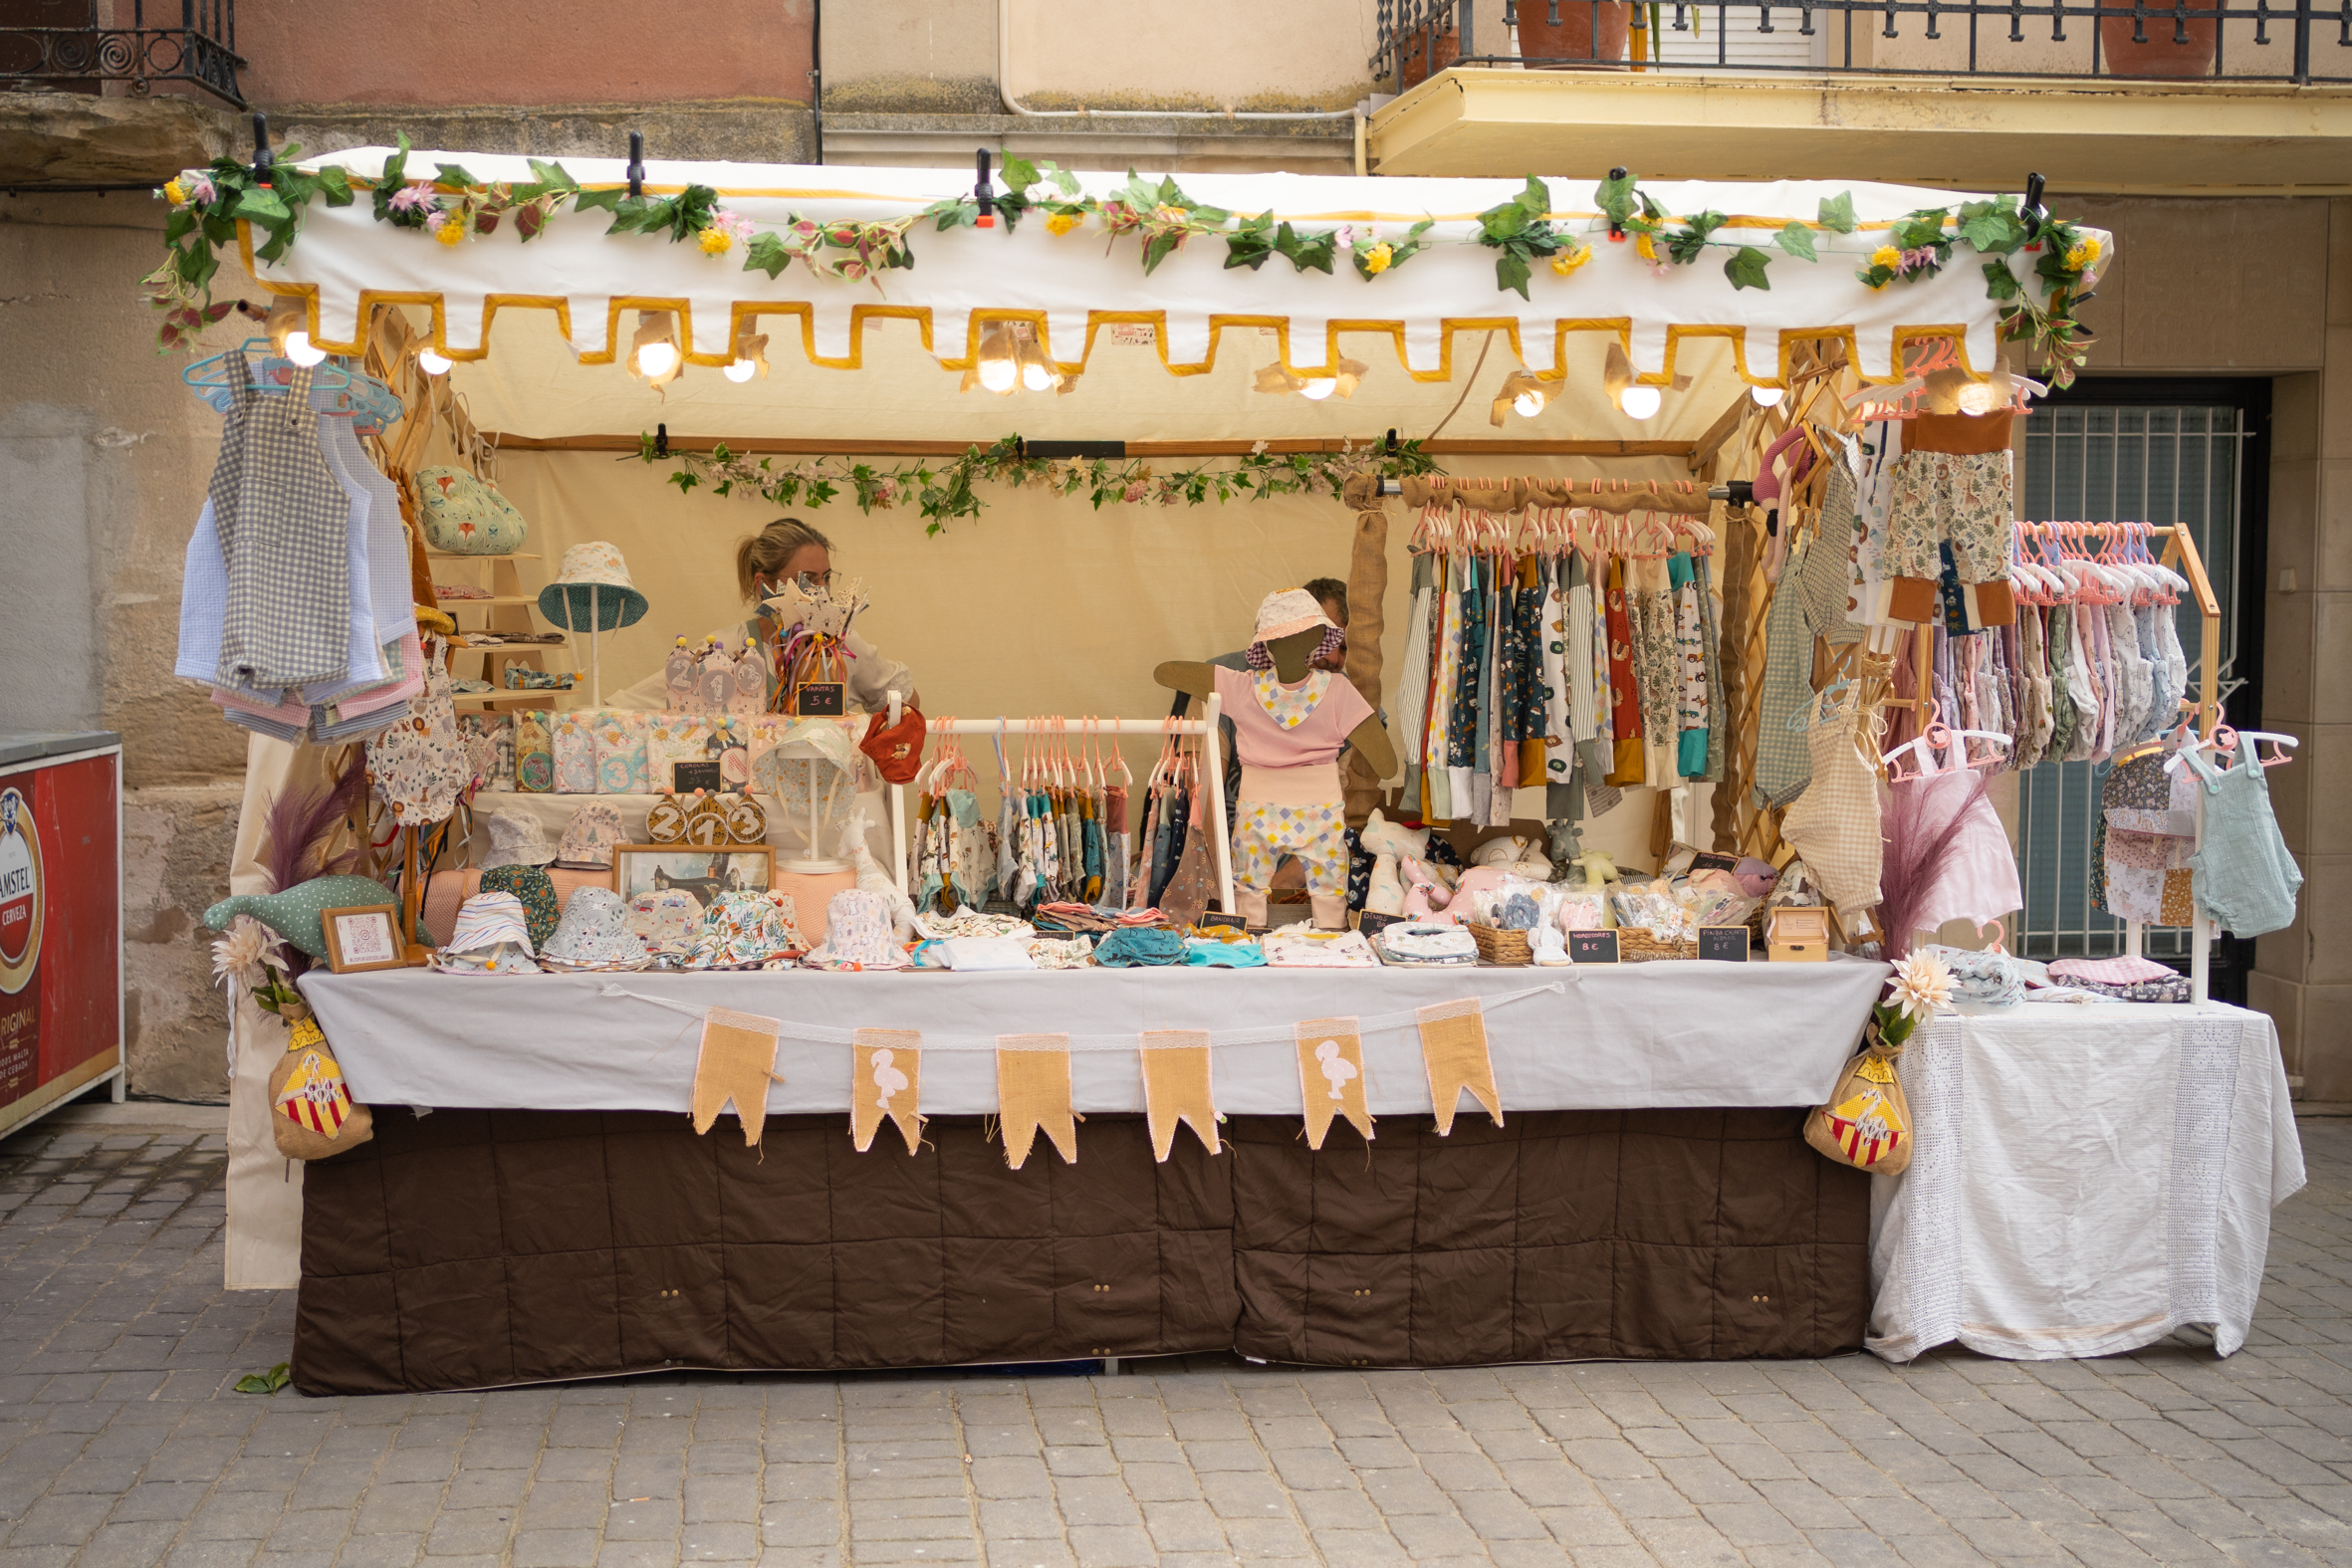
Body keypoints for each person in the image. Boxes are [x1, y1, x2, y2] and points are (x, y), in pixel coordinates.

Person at [612, 518, 919, 714]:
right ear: (765, 585)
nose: (822, 590)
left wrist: (870, 742)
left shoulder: (843, 645)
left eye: (826, 577)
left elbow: (905, 699)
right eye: (807, 579)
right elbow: (628, 705)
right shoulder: (726, 648)